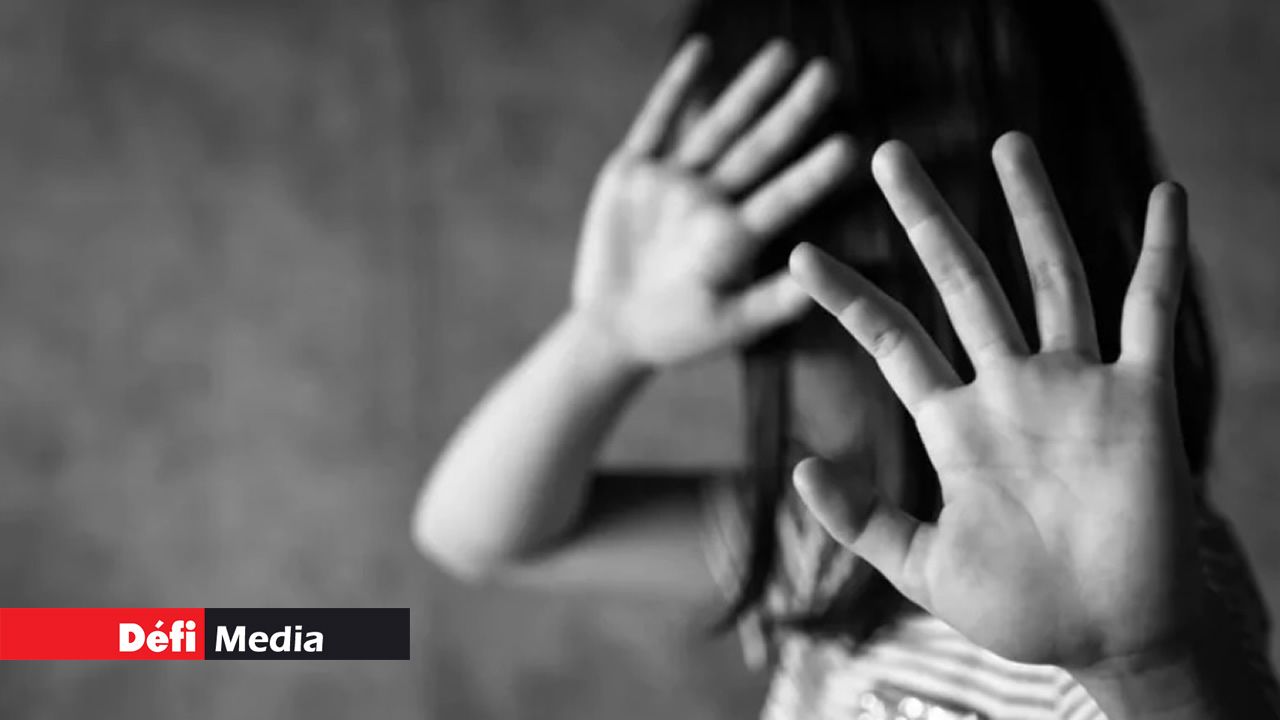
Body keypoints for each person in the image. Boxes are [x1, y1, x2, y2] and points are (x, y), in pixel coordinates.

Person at [413, 1, 1280, 717]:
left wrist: (1140, 667)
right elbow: (478, 536)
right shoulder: (840, 536)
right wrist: (605, 337)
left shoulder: (1137, 588)